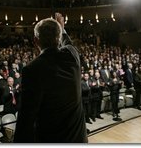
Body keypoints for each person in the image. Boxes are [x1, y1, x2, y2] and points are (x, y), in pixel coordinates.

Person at [14, 13, 88, 143]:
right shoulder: (72, 55)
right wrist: (61, 28)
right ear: (58, 38)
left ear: (36, 41)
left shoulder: (32, 69)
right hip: (78, 139)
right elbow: (68, 42)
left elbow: (26, 118)